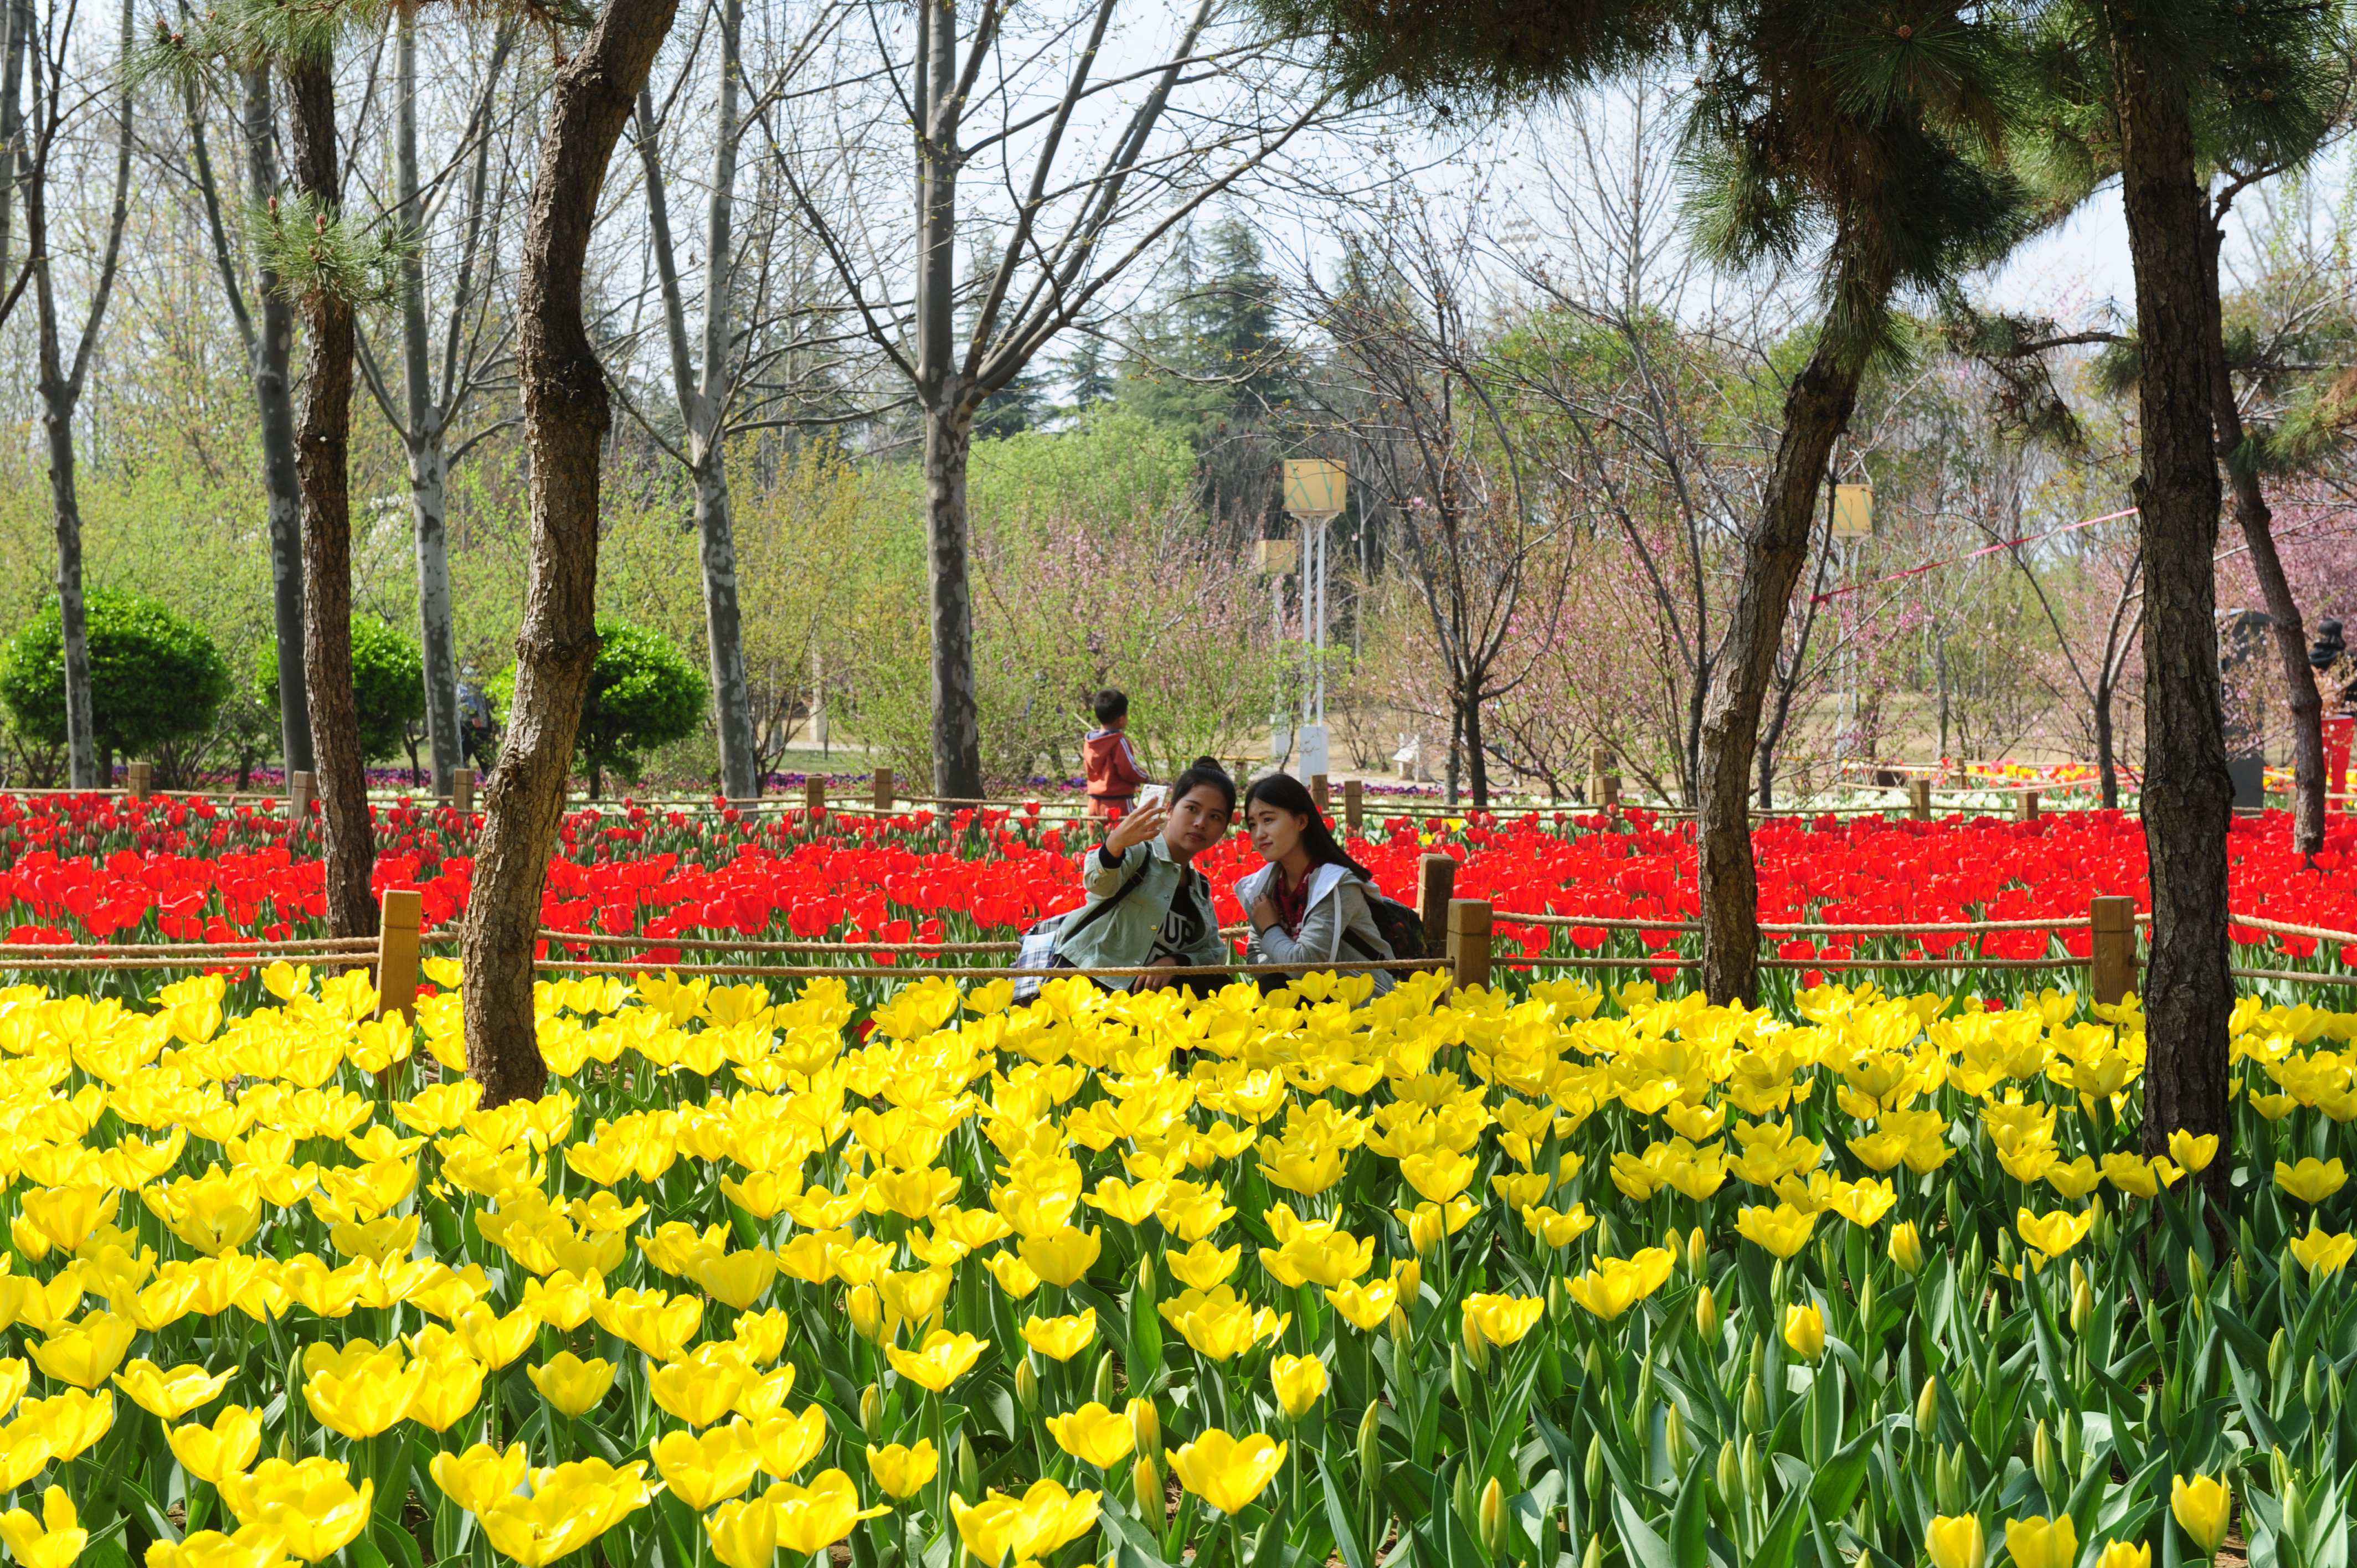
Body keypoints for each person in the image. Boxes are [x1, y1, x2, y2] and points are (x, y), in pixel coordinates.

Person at [1052, 756, 1233, 992]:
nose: (1201, 823)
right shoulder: (1140, 853)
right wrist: (1114, 845)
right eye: (1192, 809)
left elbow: (1213, 951)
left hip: (1143, 1002)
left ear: (1224, 829)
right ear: (1170, 809)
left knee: (1220, 987)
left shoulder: (1199, 886)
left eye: (1215, 817)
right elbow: (1098, 884)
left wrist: (1175, 962)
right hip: (1092, 987)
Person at [1236, 771, 1398, 996]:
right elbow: (1255, 957)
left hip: (1365, 1005)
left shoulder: (1335, 886)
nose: (1259, 834)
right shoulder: (1265, 886)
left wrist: (1271, 928)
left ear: (1301, 821)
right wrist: (1286, 964)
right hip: (1308, 1003)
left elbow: (1306, 967)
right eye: (1252, 824)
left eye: (1268, 820)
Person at [1082, 689, 1151, 818]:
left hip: (1094, 803)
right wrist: (1145, 777)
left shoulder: (1090, 742)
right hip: (1119, 804)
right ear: (1121, 719)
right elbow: (1128, 770)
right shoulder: (1119, 742)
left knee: (1098, 838)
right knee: (1129, 836)